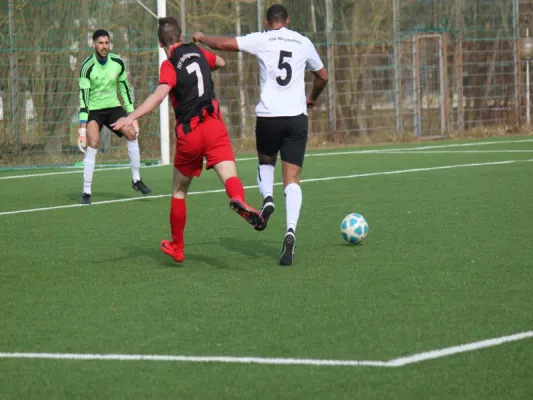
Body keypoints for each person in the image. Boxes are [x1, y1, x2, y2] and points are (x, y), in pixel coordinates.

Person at [111, 17, 265, 263]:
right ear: (181, 37)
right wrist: (204, 59)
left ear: (161, 43)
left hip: (190, 133)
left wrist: (131, 116)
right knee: (230, 175)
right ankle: (239, 200)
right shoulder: (199, 52)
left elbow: (160, 94)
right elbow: (222, 62)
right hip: (214, 125)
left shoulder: (169, 64)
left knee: (179, 190)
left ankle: (177, 246)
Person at [192, 4, 328, 266]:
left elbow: (224, 45)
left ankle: (267, 199)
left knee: (266, 162)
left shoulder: (262, 38)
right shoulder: (303, 41)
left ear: (268, 21)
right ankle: (290, 232)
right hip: (296, 118)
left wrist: (203, 38)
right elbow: (322, 76)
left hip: (268, 117)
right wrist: (311, 97)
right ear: (287, 21)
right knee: (292, 181)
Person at [78, 29, 152, 205]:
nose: (104, 46)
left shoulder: (118, 62)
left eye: (106, 43)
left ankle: (136, 180)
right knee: (93, 142)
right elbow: (84, 97)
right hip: (94, 110)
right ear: (94, 44)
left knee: (132, 134)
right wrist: (82, 127)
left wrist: (132, 115)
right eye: (101, 43)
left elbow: (125, 88)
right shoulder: (87, 66)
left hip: (113, 107)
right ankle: (86, 191)